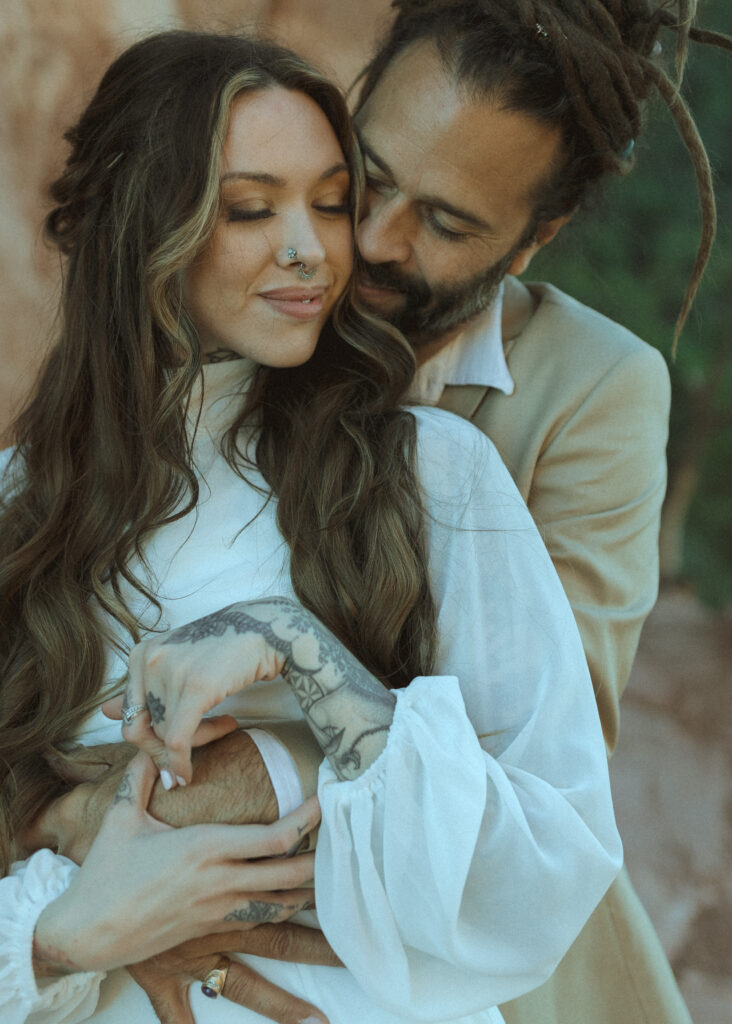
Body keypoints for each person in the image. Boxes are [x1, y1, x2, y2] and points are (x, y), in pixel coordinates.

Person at [68, 4, 731, 1024]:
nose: (372, 240)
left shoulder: (590, 393)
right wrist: (96, 917)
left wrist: (140, 874)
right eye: (365, 181)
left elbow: (532, 742)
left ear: (534, 238)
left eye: (447, 222)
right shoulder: (229, 339)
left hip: (460, 955)